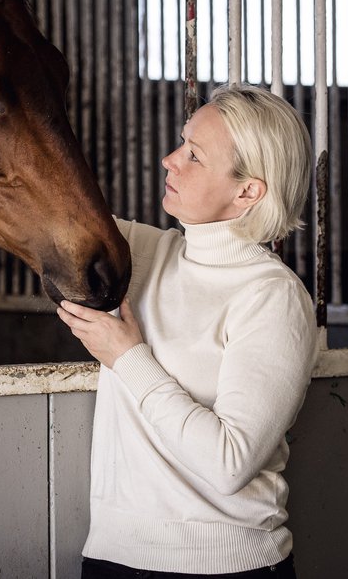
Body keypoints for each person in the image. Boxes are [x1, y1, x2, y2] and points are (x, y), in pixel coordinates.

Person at [57, 82, 317, 579]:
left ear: (248, 191)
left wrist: (128, 358)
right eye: (182, 142)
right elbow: (41, 219)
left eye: (194, 155)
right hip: (114, 556)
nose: (169, 160)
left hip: (225, 567)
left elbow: (230, 462)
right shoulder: (143, 252)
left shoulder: (271, 296)